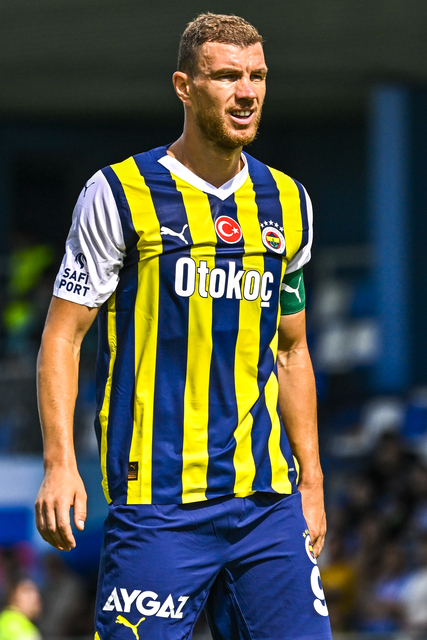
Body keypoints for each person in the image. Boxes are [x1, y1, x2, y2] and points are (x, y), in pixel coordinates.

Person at [35, 12, 331, 640]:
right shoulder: (119, 193)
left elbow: (292, 351)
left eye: (257, 77)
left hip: (267, 504)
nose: (246, 93)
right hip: (157, 505)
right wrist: (61, 463)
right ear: (184, 87)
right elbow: (64, 335)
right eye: (226, 77)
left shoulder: (289, 202)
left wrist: (313, 480)